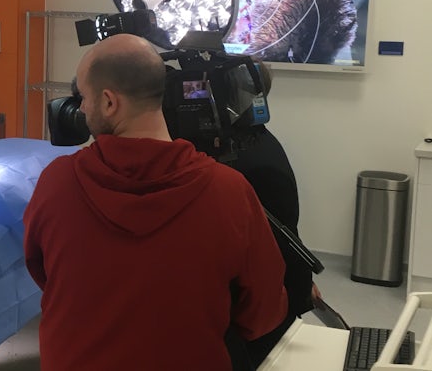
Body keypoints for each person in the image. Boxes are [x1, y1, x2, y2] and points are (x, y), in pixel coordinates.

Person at [23, 33, 288, 371]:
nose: (82, 108)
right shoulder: (229, 191)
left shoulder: (57, 183)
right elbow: (263, 315)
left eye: (84, 97)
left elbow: (44, 275)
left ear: (109, 102)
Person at [231, 59, 319, 368]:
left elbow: (276, 239)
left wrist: (299, 285)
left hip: (266, 305)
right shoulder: (257, 141)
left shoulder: (247, 159)